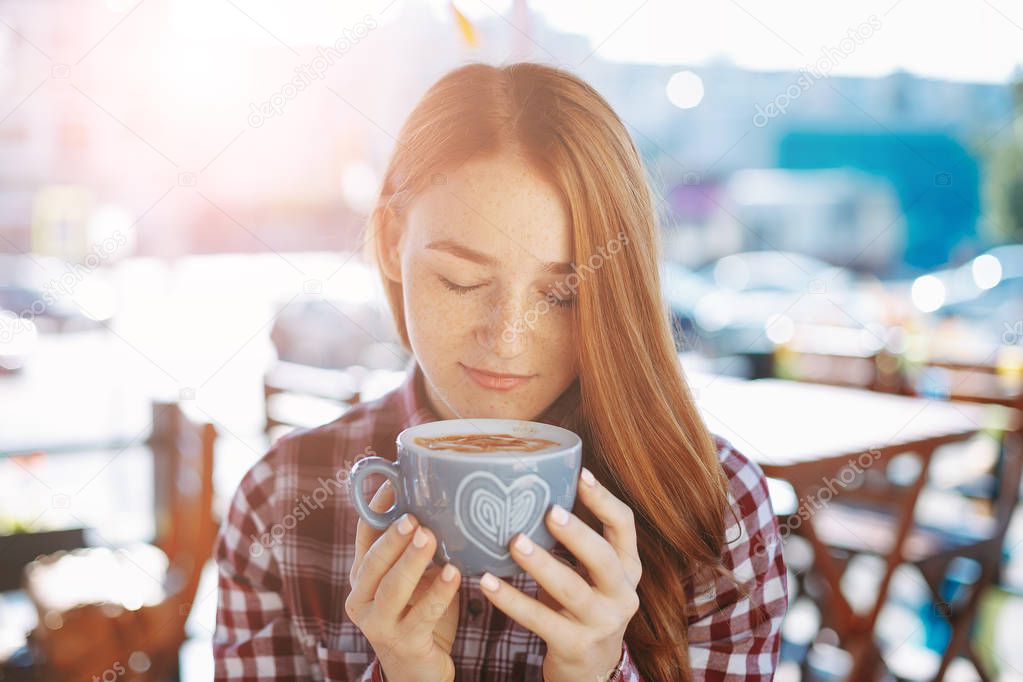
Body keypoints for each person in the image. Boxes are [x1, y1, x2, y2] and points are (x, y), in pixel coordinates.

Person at [213, 61, 788, 681]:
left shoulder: (718, 515)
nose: (508, 342)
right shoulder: (281, 504)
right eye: (461, 281)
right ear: (388, 243)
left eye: (563, 295)